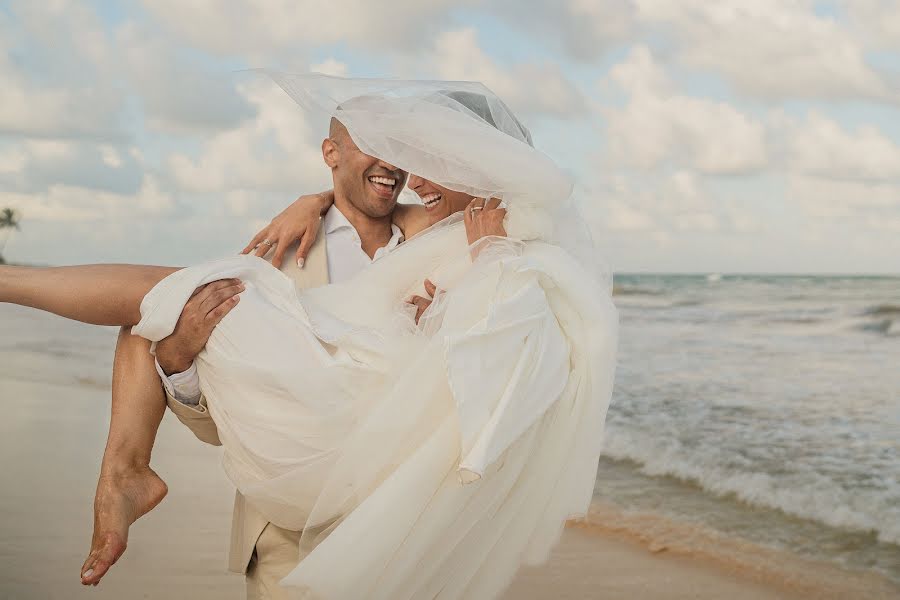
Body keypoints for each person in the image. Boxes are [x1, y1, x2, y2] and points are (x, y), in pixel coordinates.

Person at [0, 76, 617, 599]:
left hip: (403, 517)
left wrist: (460, 292)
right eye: (386, 150)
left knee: (162, 294)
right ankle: (123, 468)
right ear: (331, 154)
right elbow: (224, 423)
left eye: (416, 154)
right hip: (294, 521)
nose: (405, 169)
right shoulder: (282, 249)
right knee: (162, 315)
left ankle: (121, 465)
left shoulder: (475, 231)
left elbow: (500, 372)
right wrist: (182, 358)